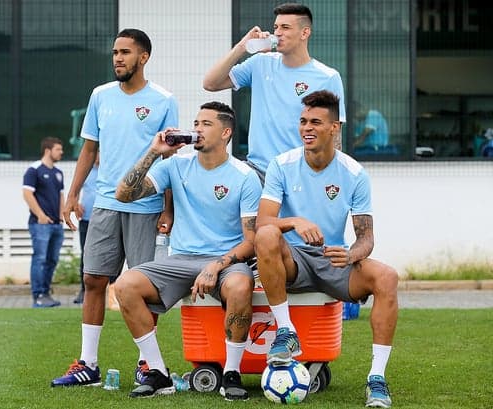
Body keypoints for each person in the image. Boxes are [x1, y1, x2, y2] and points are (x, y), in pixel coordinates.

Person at [253, 90, 398, 408]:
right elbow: (263, 222)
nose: (307, 127)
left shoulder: (354, 173)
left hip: (335, 259)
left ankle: (376, 379)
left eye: (316, 122)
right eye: (303, 121)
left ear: (335, 127)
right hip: (292, 259)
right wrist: (294, 222)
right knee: (265, 236)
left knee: (387, 277)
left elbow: (366, 238)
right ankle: (286, 332)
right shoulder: (282, 165)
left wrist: (351, 255)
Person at [51, 28, 179, 388]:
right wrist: (73, 193)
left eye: (125, 52)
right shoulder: (100, 96)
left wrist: (168, 210)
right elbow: (89, 150)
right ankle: (88, 365)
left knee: (142, 287)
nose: (117, 58)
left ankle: (147, 365)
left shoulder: (164, 99)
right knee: (93, 279)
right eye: (114, 52)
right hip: (104, 204)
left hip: (147, 206)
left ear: (144, 57)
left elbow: (169, 160)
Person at [114, 101, 262, 400]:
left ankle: (231, 373)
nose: (196, 129)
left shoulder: (244, 176)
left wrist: (216, 266)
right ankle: (158, 373)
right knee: (125, 285)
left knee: (240, 285)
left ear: (226, 133)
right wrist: (154, 151)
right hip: (181, 259)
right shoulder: (174, 165)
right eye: (196, 123)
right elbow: (124, 194)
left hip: (226, 262)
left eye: (206, 124)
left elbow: (251, 241)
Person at [203, 2, 346, 179]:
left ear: (305, 32)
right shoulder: (260, 63)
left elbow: (335, 135)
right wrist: (242, 46)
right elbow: (210, 83)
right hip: (259, 171)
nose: (278, 32)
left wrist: (329, 176)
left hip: (301, 173)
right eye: (276, 27)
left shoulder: (328, 77)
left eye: (285, 27)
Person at [22, 137, 66, 308]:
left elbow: (61, 195)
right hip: (40, 225)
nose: (61, 152)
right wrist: (40, 215)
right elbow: (27, 194)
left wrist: (62, 215)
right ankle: (38, 295)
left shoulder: (58, 173)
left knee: (52, 260)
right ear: (48, 150)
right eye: (58, 149)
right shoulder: (34, 170)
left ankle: (46, 293)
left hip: (56, 224)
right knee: (39, 258)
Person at [73, 152, 99, 305]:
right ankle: (83, 289)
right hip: (86, 220)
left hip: (104, 220)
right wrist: (76, 203)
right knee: (86, 254)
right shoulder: (87, 171)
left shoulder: (108, 170)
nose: (97, 156)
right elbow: (75, 190)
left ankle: (111, 289)